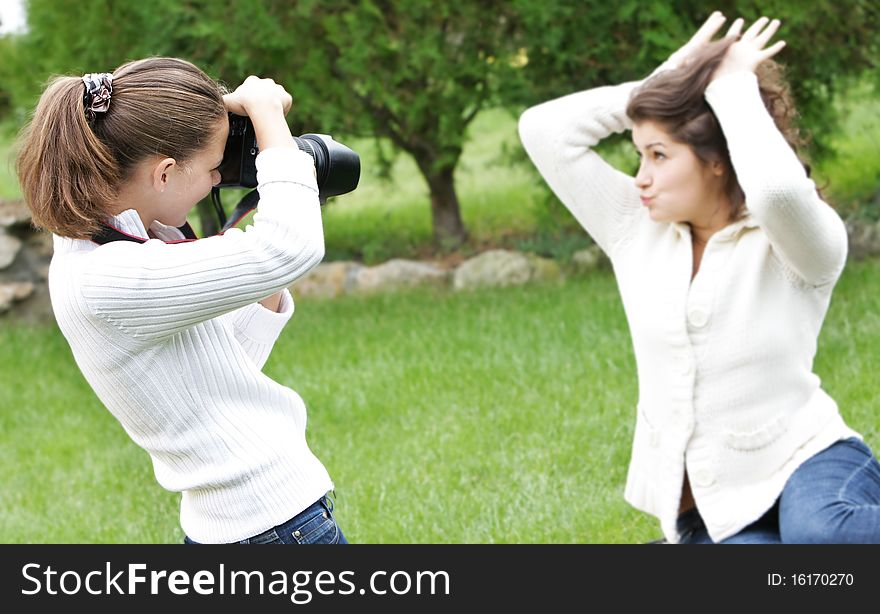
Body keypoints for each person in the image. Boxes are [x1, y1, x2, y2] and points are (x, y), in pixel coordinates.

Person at [519, 12, 880, 543]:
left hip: (810, 464)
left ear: (717, 161)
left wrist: (732, 88)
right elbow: (543, 131)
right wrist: (667, 81)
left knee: (821, 537)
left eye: (659, 155)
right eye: (639, 155)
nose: (641, 176)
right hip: (708, 509)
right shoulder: (635, 229)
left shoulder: (798, 242)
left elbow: (777, 192)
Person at [16, 57, 347, 544]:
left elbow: (220, 373)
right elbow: (289, 249)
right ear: (165, 174)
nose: (218, 180)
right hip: (272, 530)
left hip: (247, 527)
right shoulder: (111, 277)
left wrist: (271, 210)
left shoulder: (112, 251)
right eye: (214, 168)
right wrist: (269, 117)